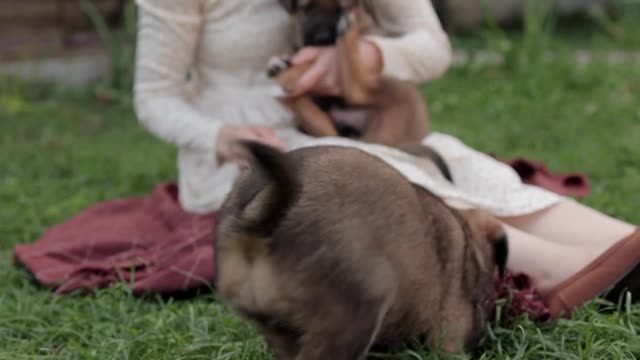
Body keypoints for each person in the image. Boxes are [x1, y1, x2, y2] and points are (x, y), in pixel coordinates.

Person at [133, 0, 639, 318]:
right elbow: (152, 97)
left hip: (360, 123)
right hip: (244, 154)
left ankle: (617, 243)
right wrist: (219, 135)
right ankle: (552, 273)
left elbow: (432, 47)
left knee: (451, 157)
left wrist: (370, 57)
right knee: (368, 175)